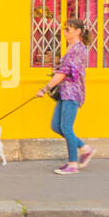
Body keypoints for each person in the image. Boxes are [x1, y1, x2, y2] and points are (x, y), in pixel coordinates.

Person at [36, 16, 94, 174]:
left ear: (78, 31)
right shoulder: (71, 48)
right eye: (65, 29)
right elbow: (65, 71)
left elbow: (64, 73)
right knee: (56, 126)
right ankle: (84, 148)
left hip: (72, 93)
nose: (65, 32)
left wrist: (45, 88)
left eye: (68, 29)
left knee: (67, 128)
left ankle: (73, 164)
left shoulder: (76, 49)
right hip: (64, 92)